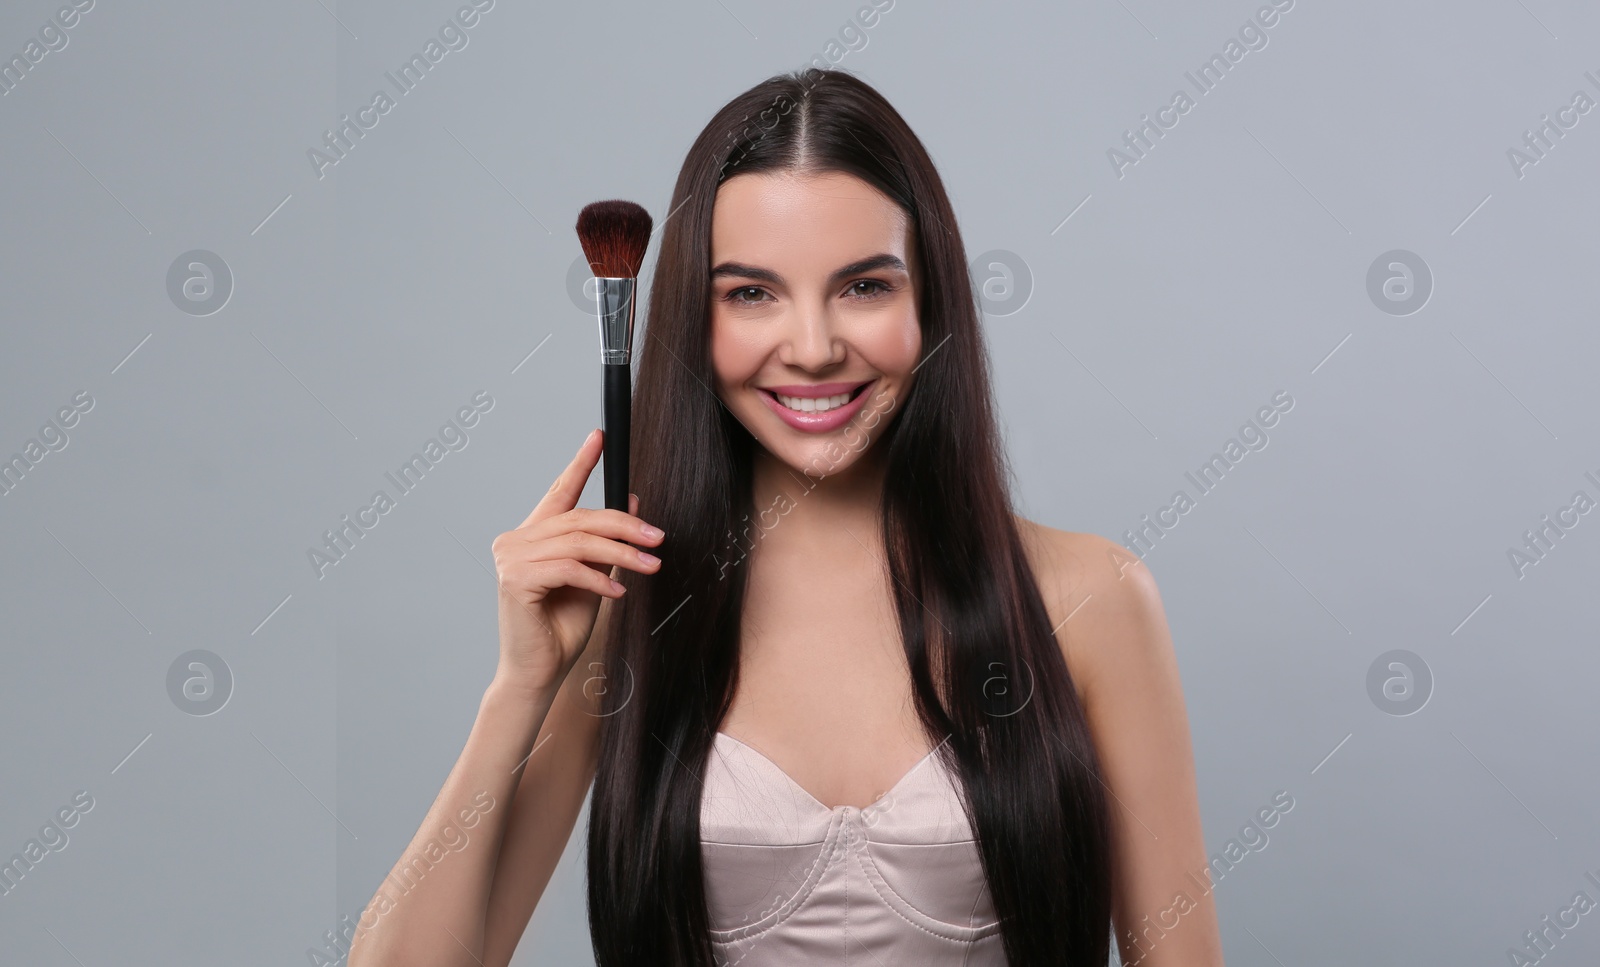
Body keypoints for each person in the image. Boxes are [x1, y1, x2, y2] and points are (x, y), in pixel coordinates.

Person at [349, 67, 1223, 967]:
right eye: (752, 294)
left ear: (930, 301)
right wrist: (520, 688)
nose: (811, 348)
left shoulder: (1091, 598)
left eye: (864, 287)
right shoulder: (633, 610)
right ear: (696, 316)